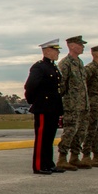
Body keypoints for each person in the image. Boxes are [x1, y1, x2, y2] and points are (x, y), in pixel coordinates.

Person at [24, 39, 65, 175]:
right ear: (47, 51)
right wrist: (33, 101)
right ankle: (39, 165)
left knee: (49, 137)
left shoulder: (53, 67)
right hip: (43, 107)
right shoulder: (39, 67)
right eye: (55, 50)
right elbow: (30, 86)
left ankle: (48, 163)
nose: (58, 52)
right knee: (42, 138)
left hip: (53, 107)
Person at [56, 35, 90, 171]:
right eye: (80, 44)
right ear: (71, 46)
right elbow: (61, 86)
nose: (83, 47)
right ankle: (62, 158)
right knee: (70, 130)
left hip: (83, 104)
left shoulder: (80, 63)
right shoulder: (65, 64)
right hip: (71, 105)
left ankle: (75, 157)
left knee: (81, 131)